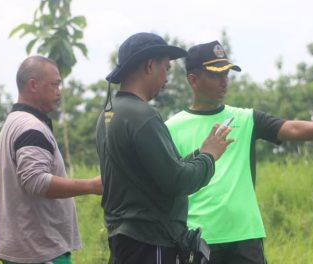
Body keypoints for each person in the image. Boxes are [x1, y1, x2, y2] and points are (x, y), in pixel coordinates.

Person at [165, 40, 313, 264]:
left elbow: (290, 128)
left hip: (245, 236)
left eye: (227, 73)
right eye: (216, 75)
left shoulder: (245, 119)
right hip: (198, 239)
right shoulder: (171, 128)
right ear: (193, 80)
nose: (224, 81)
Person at [95, 32, 233, 264]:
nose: (167, 78)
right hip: (150, 243)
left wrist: (199, 154)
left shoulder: (109, 114)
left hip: (124, 241)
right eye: (166, 69)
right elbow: (178, 180)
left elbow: (152, 173)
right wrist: (209, 156)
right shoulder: (143, 116)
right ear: (150, 65)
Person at [0, 55, 103, 264]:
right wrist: (91, 185)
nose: (59, 92)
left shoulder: (14, 122)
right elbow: (36, 181)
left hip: (27, 249)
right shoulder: (30, 127)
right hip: (40, 251)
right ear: (33, 85)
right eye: (55, 84)